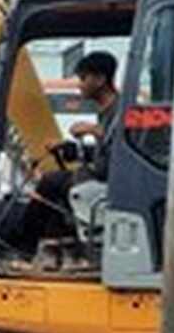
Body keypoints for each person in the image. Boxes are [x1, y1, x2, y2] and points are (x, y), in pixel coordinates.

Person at [21, 52, 122, 251]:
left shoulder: (120, 111)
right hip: (99, 175)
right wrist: (71, 149)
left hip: (111, 182)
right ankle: (58, 245)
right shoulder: (105, 112)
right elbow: (104, 151)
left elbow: (122, 144)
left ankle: (24, 244)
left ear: (100, 79)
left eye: (83, 78)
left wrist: (93, 130)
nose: (79, 85)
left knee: (50, 182)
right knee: (54, 193)